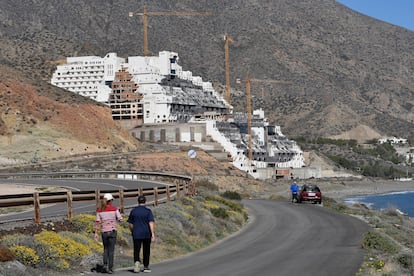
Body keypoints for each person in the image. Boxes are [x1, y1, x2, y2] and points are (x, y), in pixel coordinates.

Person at [95, 193, 123, 274]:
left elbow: (97, 222)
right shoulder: (114, 209)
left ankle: (105, 264)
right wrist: (118, 220)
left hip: (104, 232)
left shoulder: (99, 210)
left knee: (105, 249)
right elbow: (120, 219)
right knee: (111, 250)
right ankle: (110, 268)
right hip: (112, 231)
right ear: (110, 201)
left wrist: (96, 233)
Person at [128, 195, 155, 273]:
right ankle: (146, 266)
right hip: (146, 233)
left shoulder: (133, 211)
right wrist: (152, 233)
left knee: (136, 250)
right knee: (146, 250)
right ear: (145, 202)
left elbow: (130, 223)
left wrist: (132, 231)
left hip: (136, 233)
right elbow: (151, 222)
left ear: (138, 202)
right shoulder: (148, 211)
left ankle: (137, 262)